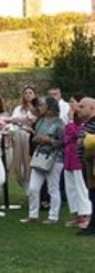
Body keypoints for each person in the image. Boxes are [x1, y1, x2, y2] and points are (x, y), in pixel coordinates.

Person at [21, 96, 65, 224]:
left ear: (50, 108)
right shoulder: (40, 121)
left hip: (54, 158)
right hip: (39, 156)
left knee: (53, 187)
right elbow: (34, 138)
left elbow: (63, 142)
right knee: (33, 187)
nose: (40, 107)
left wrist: (49, 140)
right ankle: (33, 214)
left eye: (42, 105)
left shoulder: (60, 124)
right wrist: (38, 139)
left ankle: (53, 216)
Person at [63, 96, 92, 229]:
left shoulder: (85, 124)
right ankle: (77, 214)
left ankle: (85, 214)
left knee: (81, 188)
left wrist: (70, 121)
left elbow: (75, 134)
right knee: (71, 188)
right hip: (69, 159)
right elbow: (66, 137)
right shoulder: (74, 123)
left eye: (80, 106)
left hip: (79, 161)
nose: (77, 109)